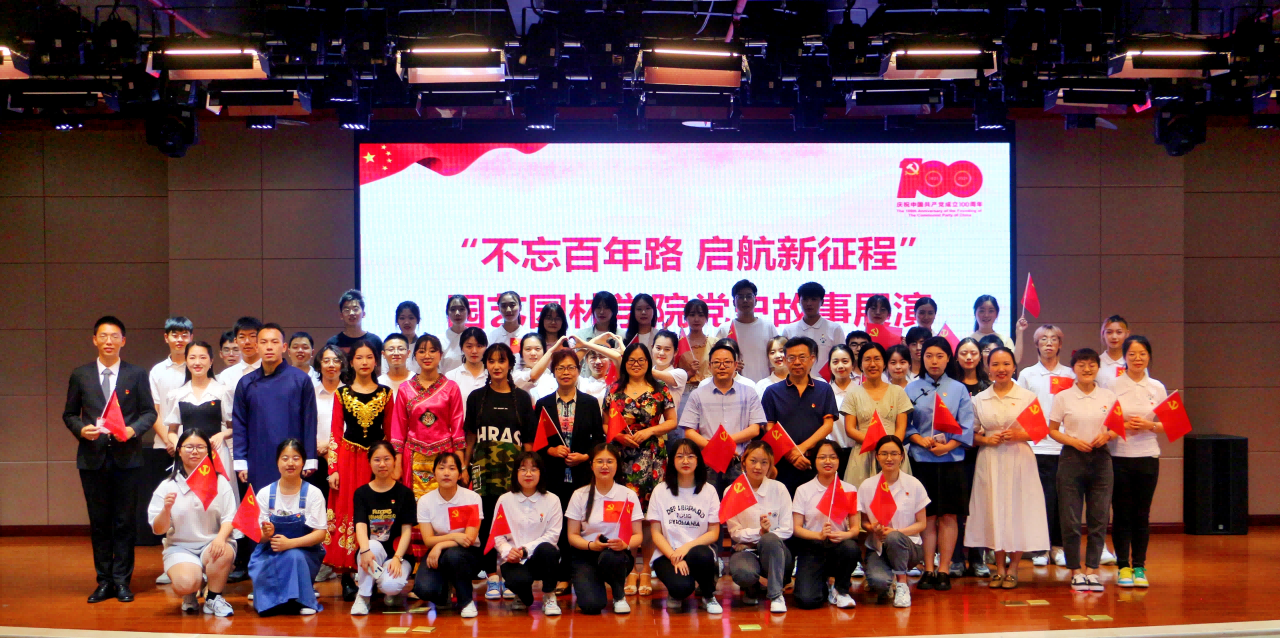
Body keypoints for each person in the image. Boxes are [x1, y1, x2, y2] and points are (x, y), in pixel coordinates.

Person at [63, 315, 156, 604]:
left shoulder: (136, 374)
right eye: (103, 336)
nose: (108, 341)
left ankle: (122, 581)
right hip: (92, 459)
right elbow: (69, 414)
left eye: (114, 336)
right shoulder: (81, 375)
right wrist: (82, 430)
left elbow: (149, 413)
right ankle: (103, 581)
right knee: (99, 522)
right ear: (94, 340)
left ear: (123, 341)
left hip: (128, 459)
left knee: (125, 522)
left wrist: (132, 430)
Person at [965, 347, 1049, 590]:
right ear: (988, 368)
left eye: (1006, 364)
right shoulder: (979, 399)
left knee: (1017, 510)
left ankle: (1013, 569)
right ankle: (998, 569)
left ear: (1014, 367)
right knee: (993, 510)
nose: (1001, 369)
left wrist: (1018, 435)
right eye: (995, 364)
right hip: (990, 459)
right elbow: (971, 434)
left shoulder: (1027, 397)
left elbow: (1039, 431)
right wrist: (985, 439)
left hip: (1019, 458)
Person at [322, 338, 394, 600]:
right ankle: (347, 575)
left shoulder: (386, 393)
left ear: (376, 361)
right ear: (351, 362)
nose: (364, 362)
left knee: (376, 512)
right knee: (348, 511)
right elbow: (335, 433)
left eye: (369, 357)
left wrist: (391, 465)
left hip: (377, 462)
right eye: (359, 358)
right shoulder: (341, 394)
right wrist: (333, 468)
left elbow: (390, 433)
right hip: (348, 460)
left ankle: (374, 571)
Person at [604, 342, 677, 595]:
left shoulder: (660, 389)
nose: (636, 364)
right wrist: (619, 436)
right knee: (627, 515)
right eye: (631, 360)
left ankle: (645, 568)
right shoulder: (614, 390)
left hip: (653, 457)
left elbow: (672, 422)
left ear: (648, 363)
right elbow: (605, 425)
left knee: (649, 516)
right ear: (624, 363)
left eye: (641, 360)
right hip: (623, 458)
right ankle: (629, 569)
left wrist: (650, 431)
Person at [464, 342, 536, 600]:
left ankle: (510, 573)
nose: (496, 366)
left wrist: (528, 471)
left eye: (502, 360)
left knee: (511, 522)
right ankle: (491, 576)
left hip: (512, 473)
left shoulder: (522, 398)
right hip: (483, 472)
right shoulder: (476, 397)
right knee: (485, 523)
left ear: (510, 364)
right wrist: (465, 466)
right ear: (486, 364)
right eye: (491, 361)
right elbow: (470, 438)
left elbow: (528, 442)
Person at [904, 337, 975, 592]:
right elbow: (906, 425)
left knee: (949, 516)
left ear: (948, 359)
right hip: (921, 460)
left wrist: (948, 446)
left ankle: (944, 568)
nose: (934, 361)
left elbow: (967, 426)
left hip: (951, 461)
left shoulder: (959, 389)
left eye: (940, 356)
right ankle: (928, 568)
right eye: (929, 356)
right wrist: (918, 439)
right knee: (928, 516)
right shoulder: (911, 388)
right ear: (921, 358)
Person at [533, 349, 605, 595]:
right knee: (559, 527)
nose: (566, 372)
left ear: (578, 370)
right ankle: (562, 576)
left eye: (571, 367)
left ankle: (586, 573)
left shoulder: (590, 403)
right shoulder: (543, 405)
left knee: (581, 524)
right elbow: (536, 442)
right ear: (553, 372)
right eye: (560, 368)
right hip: (553, 477)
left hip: (582, 476)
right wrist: (551, 451)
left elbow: (599, 439)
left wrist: (585, 456)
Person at [147, 429, 237, 616]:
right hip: (180, 547)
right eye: (189, 447)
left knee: (223, 552)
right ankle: (190, 593)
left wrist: (220, 539)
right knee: (186, 583)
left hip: (212, 543)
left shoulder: (220, 482)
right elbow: (158, 529)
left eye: (200, 447)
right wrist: (166, 510)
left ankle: (213, 598)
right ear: (179, 450)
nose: (194, 451)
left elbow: (230, 517)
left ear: (208, 451)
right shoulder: (167, 486)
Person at [1048, 348, 1117, 592]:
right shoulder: (1063, 397)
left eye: (1091, 365)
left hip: (1101, 459)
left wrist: (1107, 435)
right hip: (1071, 458)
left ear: (1098, 368)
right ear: (1073, 368)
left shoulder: (1108, 396)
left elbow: (1117, 426)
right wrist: (1072, 441)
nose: (1087, 369)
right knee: (1071, 519)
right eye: (1081, 365)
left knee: (1099, 517)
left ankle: (1092, 570)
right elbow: (1052, 429)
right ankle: (1075, 570)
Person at [231, 323, 318, 493]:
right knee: (260, 505)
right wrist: (241, 460)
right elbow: (239, 424)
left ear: (284, 347)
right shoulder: (246, 383)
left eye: (274, 342)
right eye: (264, 342)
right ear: (257, 347)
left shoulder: (301, 380)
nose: (269, 347)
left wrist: (309, 459)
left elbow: (309, 422)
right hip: (257, 459)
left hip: (293, 459)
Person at [1110, 335, 1166, 589]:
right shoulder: (1112, 386)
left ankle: (1140, 566)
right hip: (1118, 456)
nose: (1137, 358)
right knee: (1121, 513)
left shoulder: (1157, 387)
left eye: (1142, 353)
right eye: (1132, 354)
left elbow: (1169, 424)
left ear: (1149, 356)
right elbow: (1104, 421)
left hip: (1148, 456)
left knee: (1142, 514)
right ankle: (1123, 565)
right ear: (1124, 357)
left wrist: (1148, 425)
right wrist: (1123, 425)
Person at [1016, 324, 1073, 567]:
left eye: (1053, 339)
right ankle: (1040, 548)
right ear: (1036, 345)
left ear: (1060, 344)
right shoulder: (1027, 374)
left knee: (1062, 499)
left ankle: (1058, 547)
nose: (1048, 343)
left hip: (1064, 446)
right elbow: (1020, 408)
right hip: (1036, 447)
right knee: (1039, 500)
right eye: (1043, 339)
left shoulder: (1071, 374)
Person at [249, 439, 328, 615]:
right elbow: (258, 537)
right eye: (285, 458)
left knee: (294, 556)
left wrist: (290, 544)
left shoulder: (314, 493)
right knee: (266, 609)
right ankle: (276, 596)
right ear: (277, 462)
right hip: (270, 552)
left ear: (303, 462)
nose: (290, 463)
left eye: (296, 458)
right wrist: (266, 534)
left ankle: (304, 600)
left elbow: (320, 534)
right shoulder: (264, 494)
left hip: (305, 552)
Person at [565, 443, 643, 615]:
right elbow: (572, 535)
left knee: (611, 557)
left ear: (617, 465)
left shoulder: (628, 495)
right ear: (591, 465)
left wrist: (625, 544)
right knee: (591, 605)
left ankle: (619, 595)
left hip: (617, 555)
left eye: (610, 461)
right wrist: (590, 546)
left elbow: (638, 535)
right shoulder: (579, 495)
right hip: (586, 554)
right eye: (600, 461)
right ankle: (593, 583)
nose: (605, 466)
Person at [649, 440, 723, 614]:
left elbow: (714, 533)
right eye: (680, 456)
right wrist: (674, 555)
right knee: (681, 588)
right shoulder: (660, 490)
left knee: (702, 554)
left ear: (698, 460)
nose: (685, 461)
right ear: (672, 461)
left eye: (690, 456)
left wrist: (685, 548)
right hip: (667, 554)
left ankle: (708, 595)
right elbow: (656, 533)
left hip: (696, 551)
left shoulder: (709, 491)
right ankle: (676, 591)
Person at [389, 334, 466, 499]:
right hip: (413, 454)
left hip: (444, 454)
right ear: (415, 355)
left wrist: (461, 465)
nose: (427, 355)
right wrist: (397, 464)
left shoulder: (451, 388)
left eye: (432, 350)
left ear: (440, 354)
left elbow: (457, 428)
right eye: (422, 351)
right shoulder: (405, 389)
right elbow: (398, 430)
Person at [681, 341, 765, 489]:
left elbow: (755, 429)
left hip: (740, 461)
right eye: (717, 362)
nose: (722, 366)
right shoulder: (697, 394)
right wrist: (715, 448)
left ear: (735, 365)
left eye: (727, 362)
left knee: (739, 502)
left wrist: (723, 445)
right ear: (709, 366)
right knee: (709, 502)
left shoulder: (749, 393)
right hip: (709, 462)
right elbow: (689, 432)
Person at [761, 337, 839, 495]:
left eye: (802, 357)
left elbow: (828, 425)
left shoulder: (824, 389)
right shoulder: (772, 392)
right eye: (791, 358)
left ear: (812, 359)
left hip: (814, 461)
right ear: (785, 360)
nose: (797, 362)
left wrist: (801, 449)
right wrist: (791, 454)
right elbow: (769, 427)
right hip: (783, 462)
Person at [789, 440, 861, 610]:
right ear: (814, 460)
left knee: (851, 548)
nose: (828, 461)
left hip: (839, 546)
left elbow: (855, 529)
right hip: (812, 547)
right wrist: (819, 535)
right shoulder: (803, 490)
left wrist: (844, 535)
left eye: (832, 457)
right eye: (822, 457)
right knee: (807, 600)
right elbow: (796, 528)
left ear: (839, 460)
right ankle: (821, 584)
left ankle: (840, 590)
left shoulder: (849, 489)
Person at [858, 435, 928, 608]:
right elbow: (863, 522)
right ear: (877, 456)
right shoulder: (867, 485)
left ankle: (902, 584)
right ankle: (888, 581)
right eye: (884, 454)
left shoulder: (914, 484)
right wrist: (872, 528)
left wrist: (896, 533)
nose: (889, 458)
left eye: (894, 453)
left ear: (902, 456)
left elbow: (922, 524)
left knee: (894, 538)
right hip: (879, 547)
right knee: (879, 584)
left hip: (908, 547)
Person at [163, 342, 237, 501]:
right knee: (188, 499)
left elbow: (234, 428)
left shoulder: (222, 391)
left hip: (217, 454)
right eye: (192, 357)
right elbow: (172, 431)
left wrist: (221, 435)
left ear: (211, 361)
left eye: (203, 357)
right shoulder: (177, 394)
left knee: (219, 499)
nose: (197, 362)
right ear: (186, 361)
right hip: (188, 455)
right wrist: (179, 446)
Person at [725, 441, 794, 613]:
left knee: (770, 539)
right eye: (753, 461)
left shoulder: (779, 489)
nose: (758, 467)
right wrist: (759, 532)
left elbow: (787, 529)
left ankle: (776, 595)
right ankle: (751, 588)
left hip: (774, 551)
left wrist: (762, 537)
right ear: (743, 462)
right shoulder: (731, 491)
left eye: (764, 462)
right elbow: (735, 533)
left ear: (770, 465)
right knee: (744, 572)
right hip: (745, 552)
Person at [412, 452, 483, 618]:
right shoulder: (425, 501)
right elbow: (428, 540)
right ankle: (445, 591)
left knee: (454, 556)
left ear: (460, 474)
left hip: (468, 553)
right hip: (438, 553)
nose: (446, 473)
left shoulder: (472, 498)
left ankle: (466, 601)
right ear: (434, 473)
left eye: (452, 468)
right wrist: (452, 538)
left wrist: (440, 544)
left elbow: (469, 539)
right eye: (441, 468)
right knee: (424, 589)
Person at [493, 451, 564, 614]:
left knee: (548, 549)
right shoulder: (504, 500)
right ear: (515, 473)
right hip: (512, 560)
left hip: (539, 558)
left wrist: (525, 550)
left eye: (533, 469)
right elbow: (497, 535)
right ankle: (522, 594)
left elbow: (552, 535)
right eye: (523, 469)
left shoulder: (552, 500)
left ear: (541, 472)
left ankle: (549, 595)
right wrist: (508, 552)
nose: (528, 474)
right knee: (519, 583)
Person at [349, 441, 416, 615]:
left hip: (398, 554)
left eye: (387, 459)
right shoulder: (361, 493)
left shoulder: (405, 493)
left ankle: (386, 589)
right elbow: (360, 525)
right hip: (371, 553)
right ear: (370, 462)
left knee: (391, 586)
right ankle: (363, 597)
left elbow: (406, 531)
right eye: (377, 460)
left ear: (394, 461)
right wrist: (364, 550)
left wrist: (398, 558)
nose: (382, 464)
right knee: (372, 546)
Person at [842, 343, 913, 488]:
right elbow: (850, 429)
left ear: (884, 363)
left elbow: (901, 427)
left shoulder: (898, 392)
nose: (872, 364)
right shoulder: (853, 393)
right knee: (862, 499)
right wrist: (877, 444)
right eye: (867, 359)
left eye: (877, 359)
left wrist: (889, 449)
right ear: (860, 365)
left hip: (893, 456)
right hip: (863, 455)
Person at [949, 337, 991, 579]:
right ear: (957, 357)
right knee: (957, 508)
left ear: (980, 356)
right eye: (964, 352)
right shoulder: (950, 385)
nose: (968, 357)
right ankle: (955, 558)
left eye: (973, 353)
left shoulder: (988, 386)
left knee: (979, 507)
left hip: (982, 453)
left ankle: (977, 558)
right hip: (955, 453)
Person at [309, 344, 345, 583]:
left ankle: (343, 559)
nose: (331, 365)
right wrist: (319, 447)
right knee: (319, 510)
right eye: (326, 360)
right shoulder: (311, 393)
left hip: (344, 459)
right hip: (316, 458)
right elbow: (305, 423)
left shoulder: (350, 392)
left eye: (336, 360)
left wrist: (333, 449)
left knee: (342, 510)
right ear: (319, 364)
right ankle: (323, 561)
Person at [715, 279, 779, 382]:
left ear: (756, 301)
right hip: (733, 386)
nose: (745, 300)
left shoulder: (768, 327)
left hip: (764, 385)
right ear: (734, 302)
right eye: (740, 297)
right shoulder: (725, 329)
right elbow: (716, 360)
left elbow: (775, 362)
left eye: (749, 296)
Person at [149, 316, 193, 458]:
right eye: (175, 335)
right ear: (166, 338)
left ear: (191, 338)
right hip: (164, 445)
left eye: (184, 335)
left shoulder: (197, 368)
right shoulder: (157, 371)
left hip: (194, 446)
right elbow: (153, 411)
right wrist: (170, 441)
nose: (179, 339)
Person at [782, 282, 846, 379]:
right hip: (796, 382)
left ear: (822, 302)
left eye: (814, 299)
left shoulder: (834, 329)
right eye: (805, 299)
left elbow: (842, 357)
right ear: (799, 301)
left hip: (827, 383)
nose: (809, 303)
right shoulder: (789, 330)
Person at [967, 295, 1027, 364]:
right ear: (975, 313)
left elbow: (1015, 360)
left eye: (991, 311)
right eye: (982, 311)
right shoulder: (969, 341)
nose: (986, 315)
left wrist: (1019, 331)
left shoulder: (1005, 340)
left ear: (997, 314)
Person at [216, 317, 263, 404]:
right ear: (236, 341)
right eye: (242, 337)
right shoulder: (226, 375)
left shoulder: (272, 371)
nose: (247, 341)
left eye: (252, 336)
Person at [328, 289, 384, 360]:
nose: (351, 313)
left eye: (355, 309)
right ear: (341, 315)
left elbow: (379, 366)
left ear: (363, 314)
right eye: (347, 310)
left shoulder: (375, 341)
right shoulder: (333, 342)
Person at [444, 327, 488, 415]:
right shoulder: (451, 376)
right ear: (462, 348)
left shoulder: (493, 375)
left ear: (486, 347)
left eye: (479, 346)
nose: (474, 351)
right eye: (469, 346)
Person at [678, 299, 711, 397]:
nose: (696, 319)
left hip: (710, 391)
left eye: (701, 315)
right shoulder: (679, 344)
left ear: (706, 318)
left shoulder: (714, 343)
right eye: (692, 315)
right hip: (685, 393)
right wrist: (689, 373)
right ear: (685, 317)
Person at [513, 333, 557, 402]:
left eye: (537, 349)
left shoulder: (553, 378)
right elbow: (533, 375)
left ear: (544, 352)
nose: (533, 353)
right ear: (521, 353)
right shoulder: (516, 376)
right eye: (528, 349)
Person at [1098, 315, 1135, 386]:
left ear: (1127, 334)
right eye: (1109, 332)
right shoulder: (1096, 363)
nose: (1114, 337)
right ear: (1103, 334)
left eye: (1119, 332)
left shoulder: (1134, 362)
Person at [440, 295, 470, 375]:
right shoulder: (440, 340)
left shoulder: (475, 337)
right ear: (447, 312)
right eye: (453, 309)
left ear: (468, 312)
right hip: (446, 381)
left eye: (461, 309)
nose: (457, 313)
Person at [378, 333, 413, 399]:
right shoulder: (378, 383)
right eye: (391, 349)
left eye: (401, 349)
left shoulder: (417, 380)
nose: (396, 353)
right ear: (383, 354)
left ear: (408, 353)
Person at [391, 301, 421, 373]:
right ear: (397, 321)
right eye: (402, 318)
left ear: (418, 320)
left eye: (411, 318)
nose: (406, 322)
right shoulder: (390, 346)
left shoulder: (423, 346)